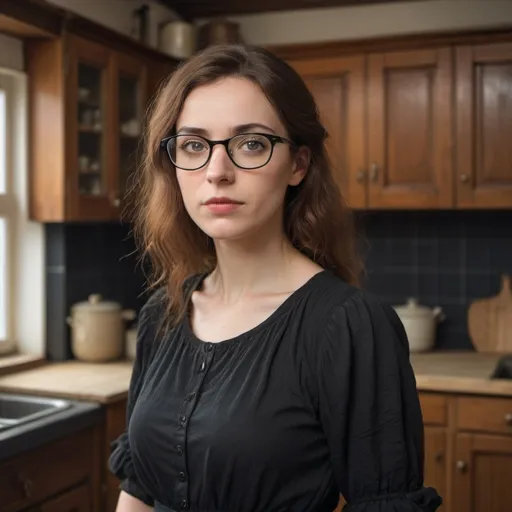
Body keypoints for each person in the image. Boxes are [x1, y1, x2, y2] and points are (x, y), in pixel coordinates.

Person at [109, 44, 443, 512]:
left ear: (299, 165)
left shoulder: (349, 326)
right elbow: (139, 487)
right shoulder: (160, 316)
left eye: (251, 143)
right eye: (193, 145)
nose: (216, 172)